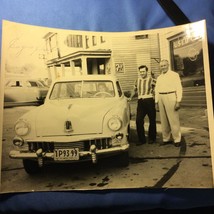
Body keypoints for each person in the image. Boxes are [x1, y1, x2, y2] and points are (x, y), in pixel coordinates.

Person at [155, 59, 183, 147]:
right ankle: (166, 138)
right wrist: (156, 102)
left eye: (164, 65)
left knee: (173, 119)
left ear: (168, 65)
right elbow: (156, 90)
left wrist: (178, 101)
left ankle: (177, 139)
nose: (163, 67)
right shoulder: (159, 77)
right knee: (163, 120)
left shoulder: (174, 75)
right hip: (161, 97)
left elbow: (179, 88)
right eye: (161, 66)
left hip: (171, 96)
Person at [129, 65, 157, 145]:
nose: (142, 73)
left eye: (143, 71)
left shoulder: (151, 80)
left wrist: (156, 100)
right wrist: (130, 97)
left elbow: (156, 90)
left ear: (146, 71)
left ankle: (152, 138)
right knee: (138, 120)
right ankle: (142, 140)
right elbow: (134, 90)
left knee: (152, 120)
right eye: (140, 72)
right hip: (140, 101)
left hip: (149, 100)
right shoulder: (137, 80)